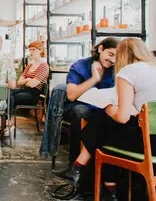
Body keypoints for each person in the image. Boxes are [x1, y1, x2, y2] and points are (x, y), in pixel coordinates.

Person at [53, 38, 156, 200]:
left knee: (103, 123)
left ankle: (80, 170)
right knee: (107, 126)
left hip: (150, 146)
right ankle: (84, 173)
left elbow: (122, 117)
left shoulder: (128, 72)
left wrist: (109, 107)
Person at [51, 37, 119, 168]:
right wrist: (94, 79)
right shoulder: (80, 66)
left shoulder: (115, 70)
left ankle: (108, 170)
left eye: (116, 57)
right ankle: (75, 164)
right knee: (81, 113)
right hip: (78, 106)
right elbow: (71, 95)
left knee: (115, 117)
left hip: (103, 109)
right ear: (100, 49)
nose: (112, 60)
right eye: (110, 54)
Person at [11, 40, 49, 108]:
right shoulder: (30, 65)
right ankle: (4, 116)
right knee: (7, 93)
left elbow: (32, 84)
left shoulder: (44, 66)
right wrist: (28, 79)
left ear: (40, 50)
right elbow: (19, 82)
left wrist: (25, 80)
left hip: (33, 94)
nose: (31, 52)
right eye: (30, 50)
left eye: (33, 50)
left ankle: (6, 117)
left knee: (11, 97)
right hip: (24, 90)